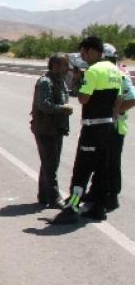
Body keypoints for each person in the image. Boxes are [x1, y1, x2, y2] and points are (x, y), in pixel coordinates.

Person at [52, 37, 124, 224]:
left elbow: (83, 99)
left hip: (93, 128)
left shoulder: (93, 71)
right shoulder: (116, 71)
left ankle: (72, 208)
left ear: (92, 51)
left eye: (84, 53)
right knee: (101, 171)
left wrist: (79, 81)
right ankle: (98, 209)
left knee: (81, 172)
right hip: (108, 127)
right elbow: (118, 101)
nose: (83, 57)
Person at [84, 45, 135, 211]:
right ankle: (95, 192)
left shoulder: (118, 74)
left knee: (111, 163)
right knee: (99, 161)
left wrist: (114, 111)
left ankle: (111, 197)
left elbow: (132, 98)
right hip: (101, 126)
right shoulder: (104, 72)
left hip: (114, 127)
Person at [31, 53, 73, 209]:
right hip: (45, 129)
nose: (66, 68)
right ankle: (54, 198)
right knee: (50, 164)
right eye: (64, 65)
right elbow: (44, 105)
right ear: (54, 65)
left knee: (49, 163)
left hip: (56, 128)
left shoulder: (60, 81)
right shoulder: (45, 82)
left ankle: (43, 195)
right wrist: (62, 109)